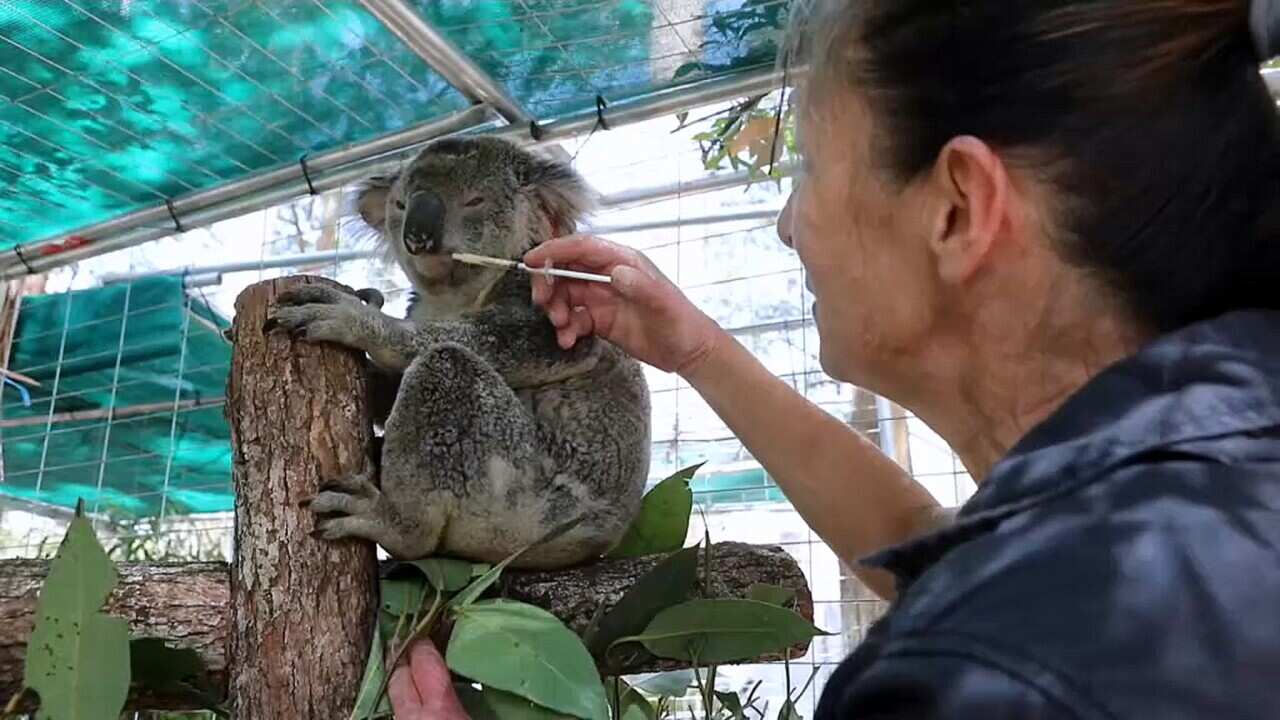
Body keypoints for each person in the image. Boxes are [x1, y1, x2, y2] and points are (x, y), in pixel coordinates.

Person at [389, 0, 1280, 716]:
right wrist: (697, 348)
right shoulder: (1203, 492)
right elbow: (931, 546)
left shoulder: (999, 668)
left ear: (959, 210)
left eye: (811, 169)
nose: (789, 224)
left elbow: (991, 610)